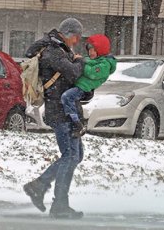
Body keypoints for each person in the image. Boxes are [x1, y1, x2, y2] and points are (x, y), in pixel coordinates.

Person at [23, 17, 85, 219]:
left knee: (76, 156)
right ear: (67, 34)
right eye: (75, 37)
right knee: (69, 156)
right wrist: (80, 62)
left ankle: (50, 194)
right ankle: (47, 194)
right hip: (60, 111)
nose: (76, 41)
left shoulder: (60, 50)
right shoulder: (53, 52)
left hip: (68, 111)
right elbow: (73, 74)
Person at [61, 34, 117, 137]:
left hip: (83, 88)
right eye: (89, 50)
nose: (90, 53)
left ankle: (77, 123)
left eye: (93, 50)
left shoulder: (105, 64)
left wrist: (80, 63)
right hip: (78, 85)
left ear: (100, 50)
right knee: (68, 99)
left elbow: (92, 73)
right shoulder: (91, 60)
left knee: (66, 97)